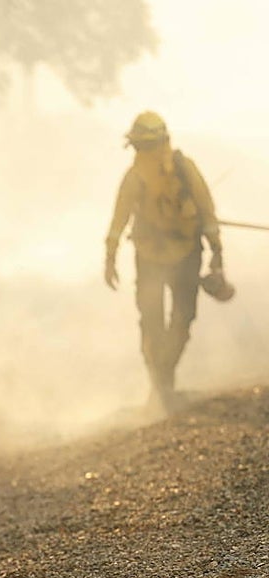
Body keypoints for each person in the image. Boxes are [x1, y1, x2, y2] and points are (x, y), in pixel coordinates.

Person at [105, 111, 233, 410]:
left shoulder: (180, 170)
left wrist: (217, 251)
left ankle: (162, 381)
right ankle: (162, 385)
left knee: (175, 320)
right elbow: (119, 219)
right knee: (158, 322)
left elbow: (207, 212)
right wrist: (109, 256)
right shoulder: (140, 177)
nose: (144, 153)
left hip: (178, 254)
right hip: (157, 256)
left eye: (145, 146)